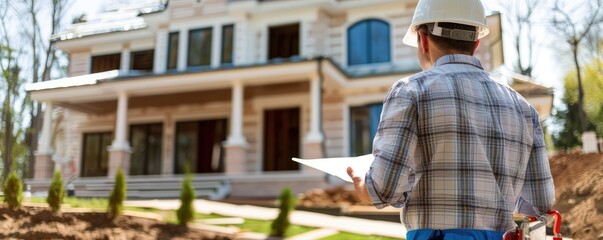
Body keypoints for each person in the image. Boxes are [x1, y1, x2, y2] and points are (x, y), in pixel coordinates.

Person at [346, 0, 556, 239]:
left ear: (423, 41)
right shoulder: (524, 108)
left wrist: (362, 183)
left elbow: (383, 190)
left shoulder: (411, 91)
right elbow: (540, 202)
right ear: (475, 43)